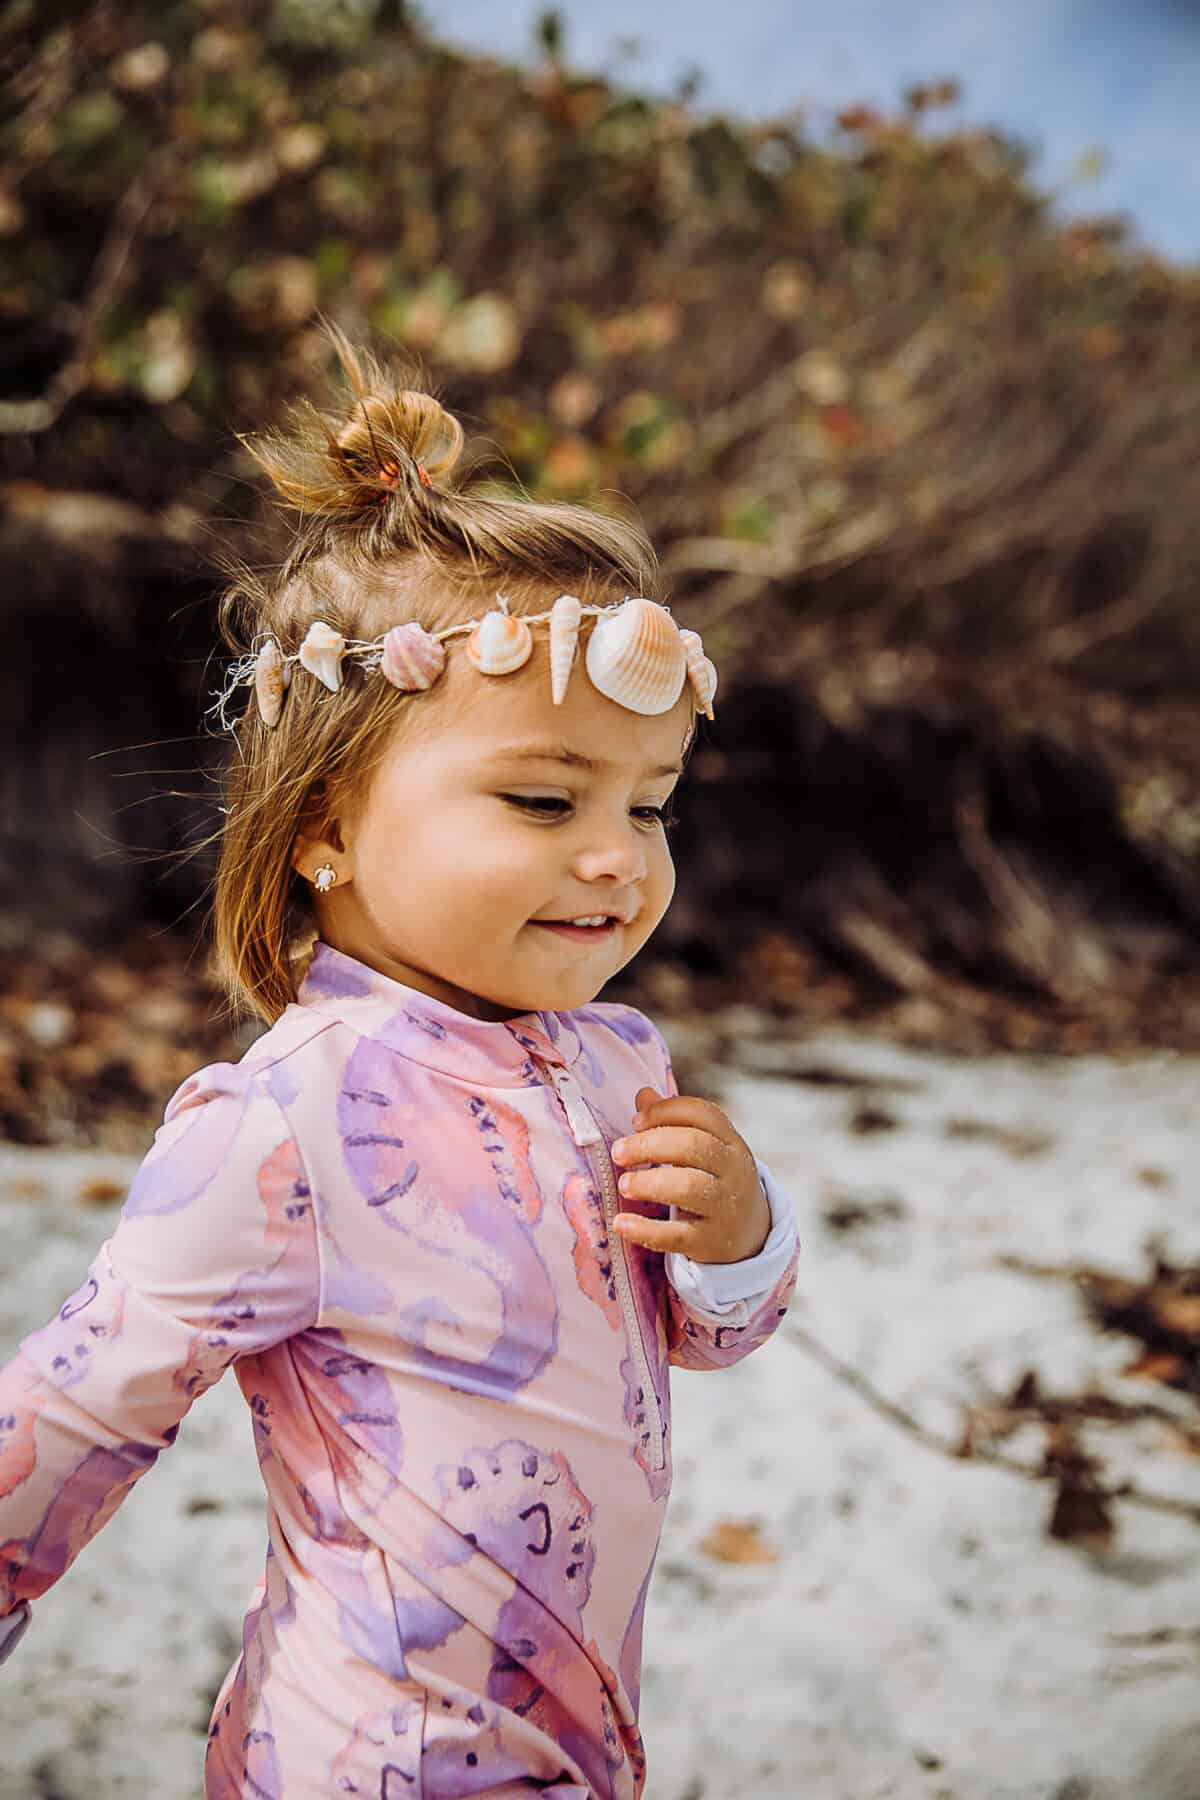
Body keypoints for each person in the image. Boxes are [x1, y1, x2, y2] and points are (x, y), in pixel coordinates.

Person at [0, 324, 800, 1798]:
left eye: (654, 807)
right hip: (367, 1751)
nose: (616, 858)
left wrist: (740, 1244)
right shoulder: (287, 1117)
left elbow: (701, 1340)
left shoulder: (624, 1060)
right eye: (545, 798)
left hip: (577, 1730)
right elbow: (78, 1405)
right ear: (325, 826)